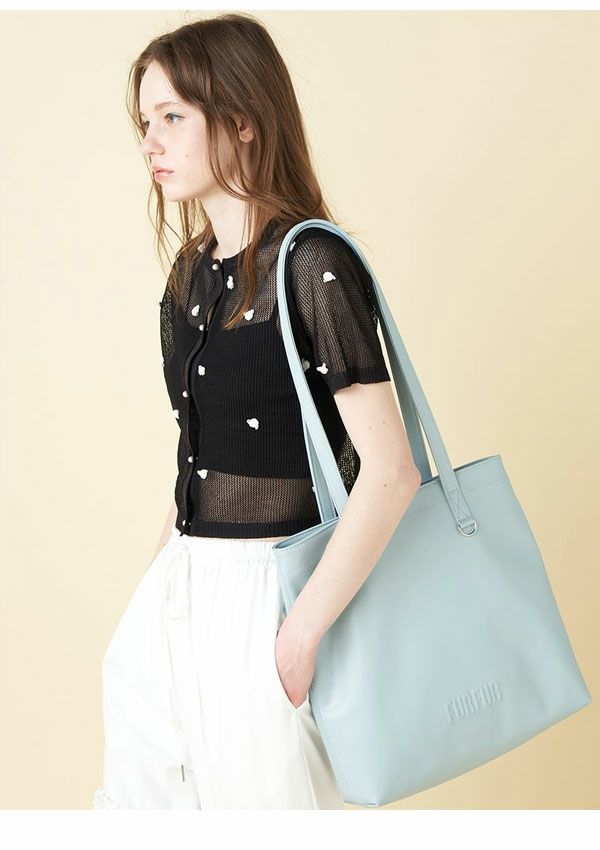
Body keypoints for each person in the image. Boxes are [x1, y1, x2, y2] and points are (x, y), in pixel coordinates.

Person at [93, 13, 420, 810]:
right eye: (145, 121)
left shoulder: (313, 264)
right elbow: (198, 455)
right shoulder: (189, 275)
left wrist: (298, 635)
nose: (150, 141)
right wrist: (157, 589)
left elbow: (390, 472)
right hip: (184, 582)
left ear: (242, 120)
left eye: (173, 116)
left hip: (270, 592)